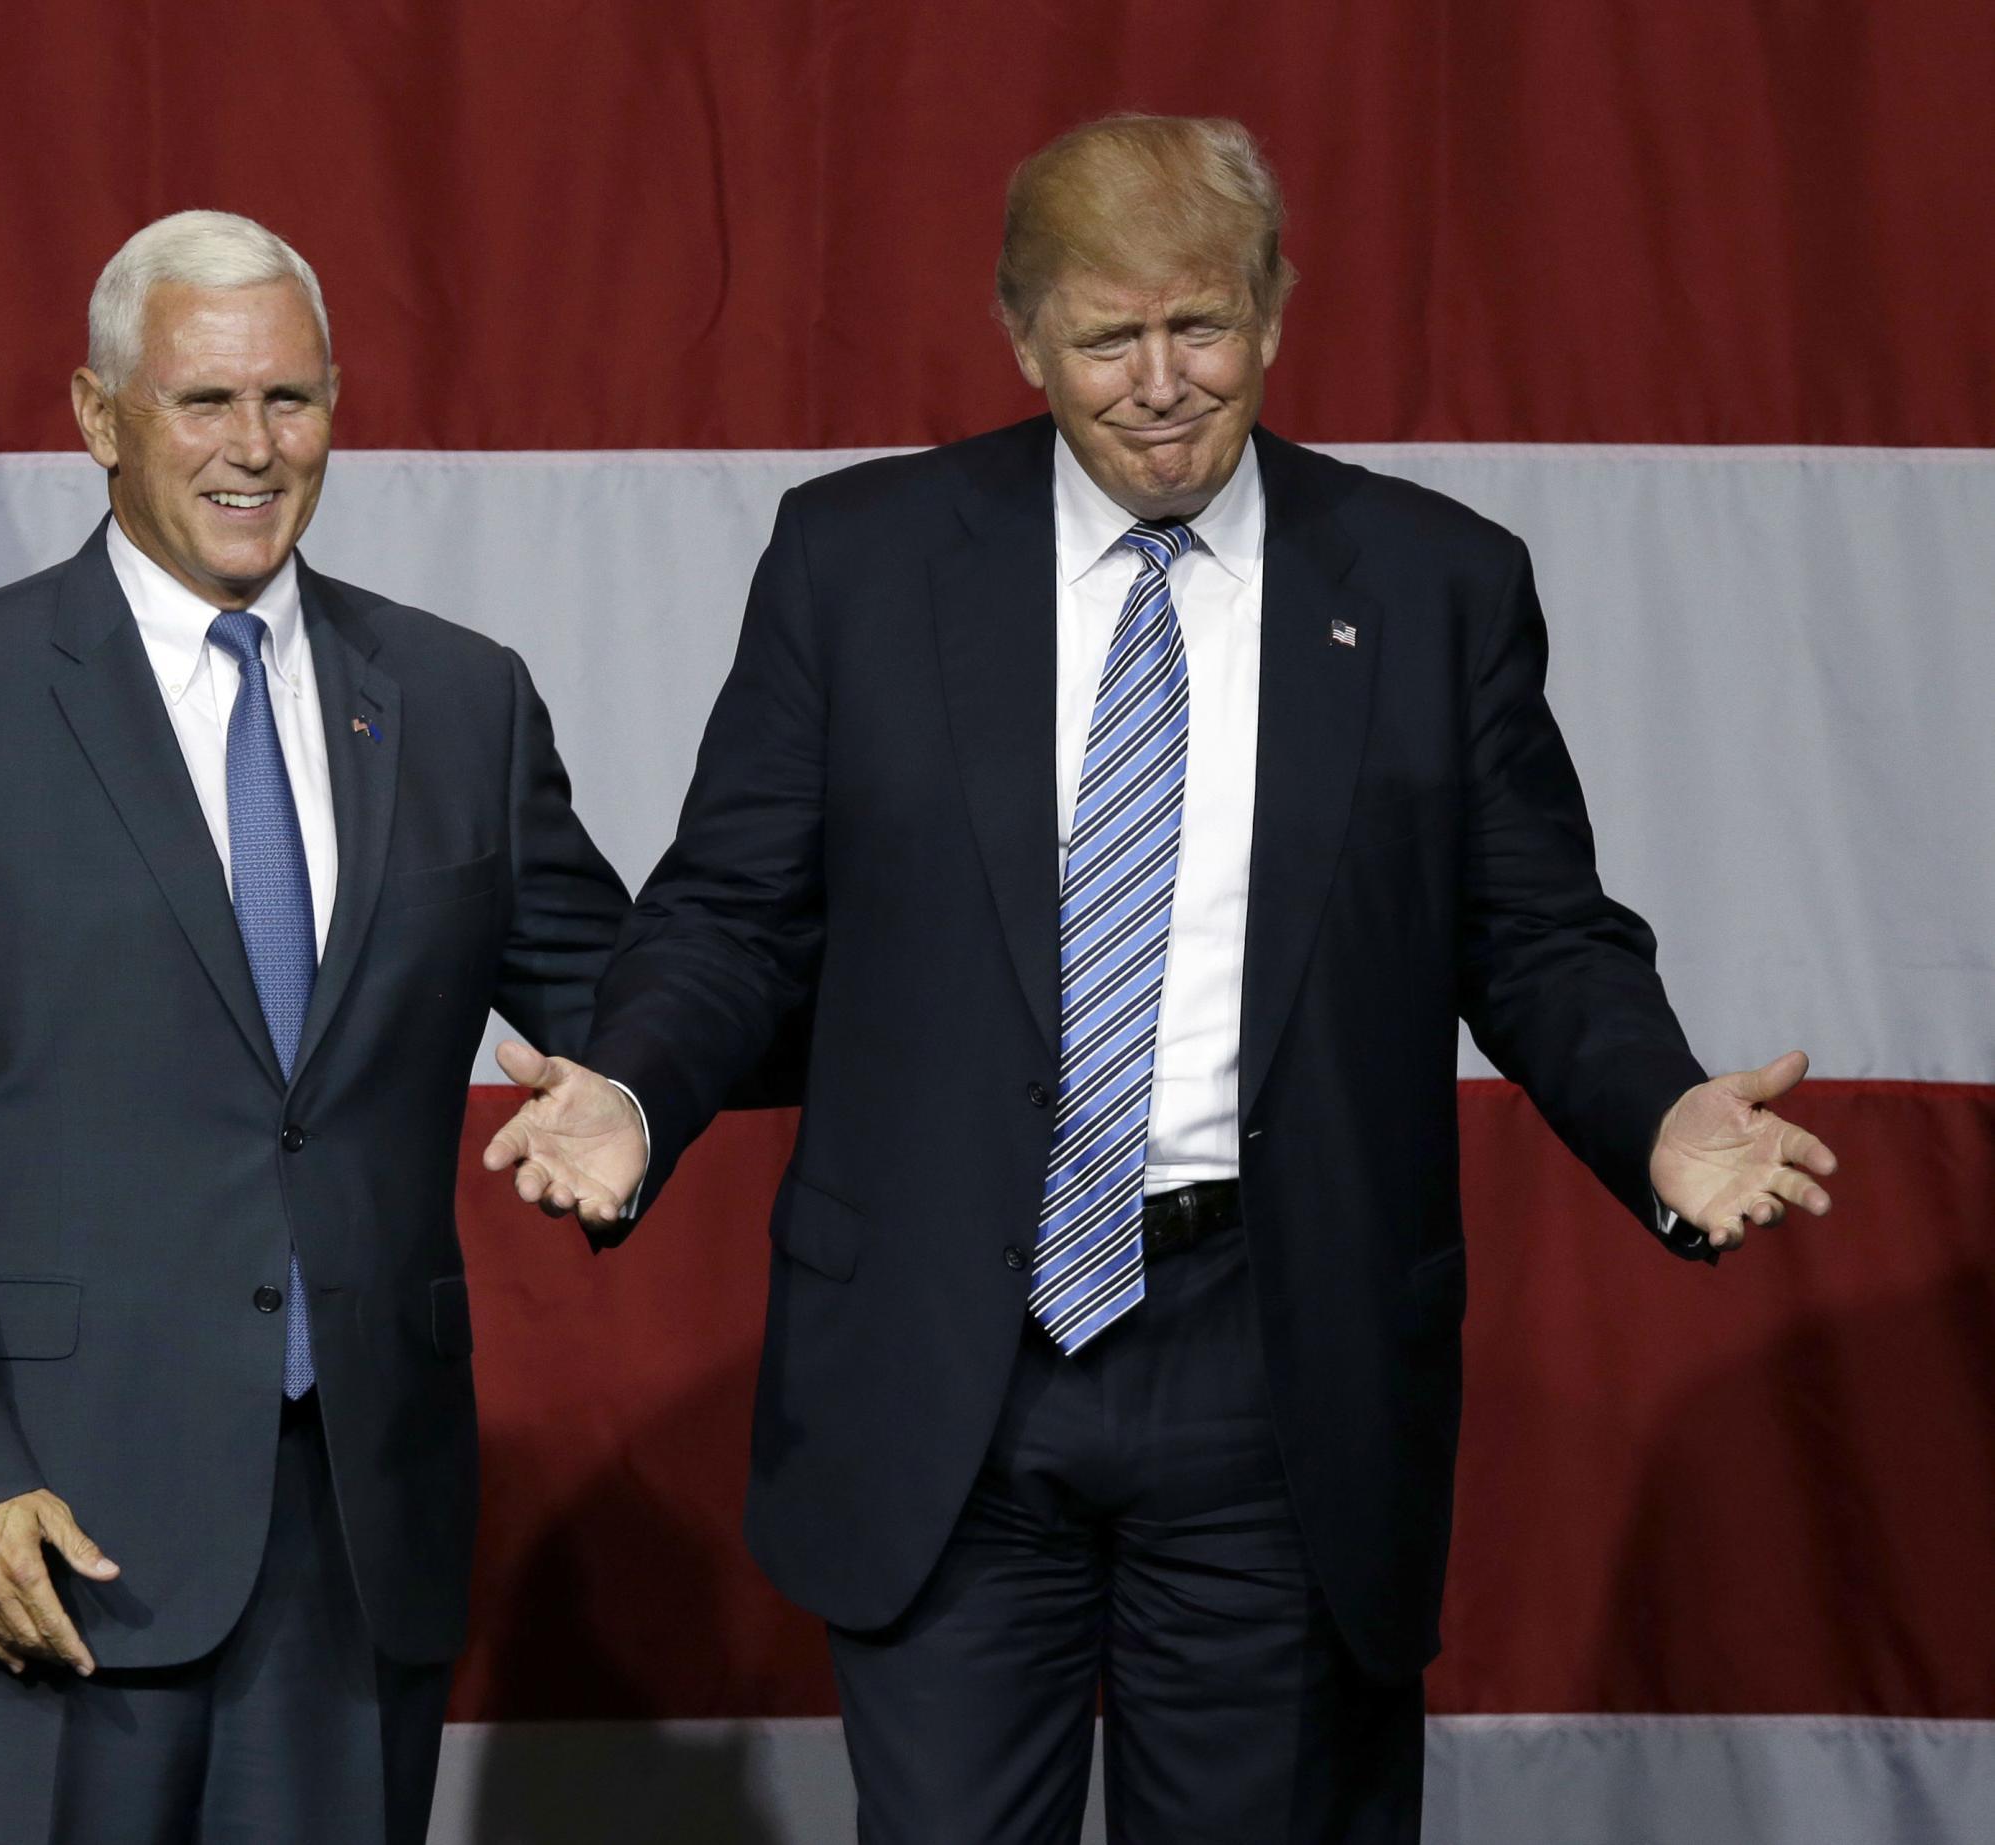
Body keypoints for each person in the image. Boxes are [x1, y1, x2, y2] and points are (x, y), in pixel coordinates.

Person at [480, 116, 1839, 1841]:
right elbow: (736, 909)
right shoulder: (861, 562)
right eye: (1108, 337)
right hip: (943, 1356)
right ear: (1023, 337)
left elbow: (1538, 934)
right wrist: (636, 1083)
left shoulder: (1431, 586)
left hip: (1274, 1357)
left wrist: (1658, 1109)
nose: (1160, 382)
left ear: (1272, 313)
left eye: (1200, 324)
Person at [0, 209, 629, 1844]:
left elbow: (630, 1001)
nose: (255, 448)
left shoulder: (458, 696)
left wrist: (652, 1092)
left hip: (345, 1536)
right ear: (99, 417)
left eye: (290, 400)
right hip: (31, 1529)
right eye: (204, 402)